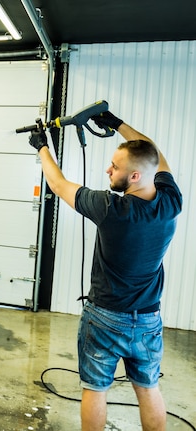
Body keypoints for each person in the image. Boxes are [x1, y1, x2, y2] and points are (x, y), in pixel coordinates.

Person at [28, 109, 183, 431]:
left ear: (136, 176)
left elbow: (58, 185)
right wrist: (116, 124)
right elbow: (152, 153)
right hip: (149, 319)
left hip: (106, 317)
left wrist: (42, 146)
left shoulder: (112, 209)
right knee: (148, 388)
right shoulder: (171, 202)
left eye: (116, 167)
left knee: (96, 389)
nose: (108, 170)